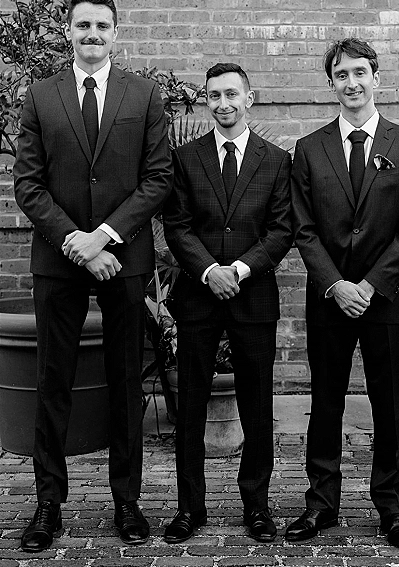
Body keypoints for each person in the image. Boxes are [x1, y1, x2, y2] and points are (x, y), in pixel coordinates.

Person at [13, 0, 173, 552]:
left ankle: (126, 501)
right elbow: (27, 185)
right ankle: (48, 503)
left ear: (115, 32)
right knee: (53, 379)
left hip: (123, 257)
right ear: (67, 32)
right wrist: (75, 243)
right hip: (59, 261)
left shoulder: (144, 95)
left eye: (102, 25)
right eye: (82, 25)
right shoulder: (40, 97)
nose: (92, 34)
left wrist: (104, 236)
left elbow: (157, 178)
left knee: (127, 379)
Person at [286, 38, 399, 550]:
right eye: (341, 74)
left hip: (386, 299)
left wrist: (369, 285)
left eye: (360, 72)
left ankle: (392, 506)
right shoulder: (309, 147)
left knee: (389, 403)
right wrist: (335, 285)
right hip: (329, 299)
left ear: (376, 77)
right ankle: (320, 503)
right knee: (325, 402)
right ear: (331, 83)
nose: (352, 82)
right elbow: (303, 227)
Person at [162, 62, 292, 544]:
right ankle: (188, 507)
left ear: (249, 98)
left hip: (252, 296)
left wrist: (237, 270)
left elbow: (282, 230)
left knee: (257, 407)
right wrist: (208, 271)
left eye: (231, 94)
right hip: (198, 297)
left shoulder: (276, 160)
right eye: (213, 96)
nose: (223, 104)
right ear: (206, 102)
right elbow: (176, 225)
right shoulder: (185, 158)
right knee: (191, 407)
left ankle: (256, 506)